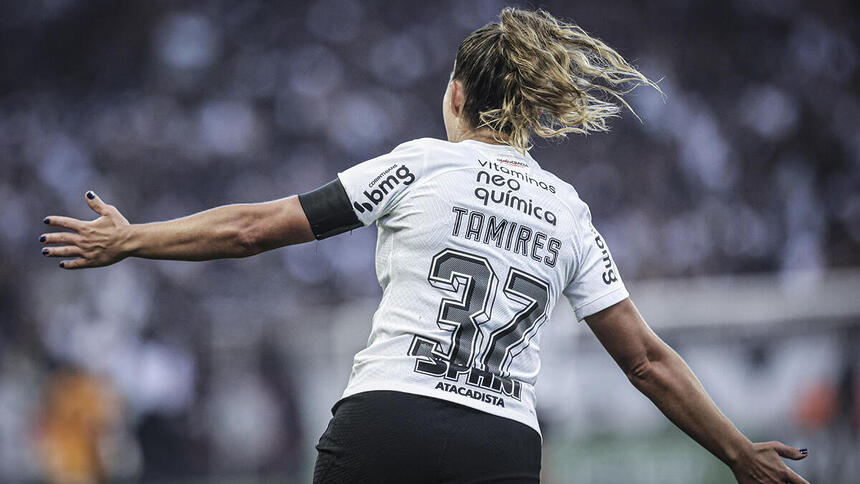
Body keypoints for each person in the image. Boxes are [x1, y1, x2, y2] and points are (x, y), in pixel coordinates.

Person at [40, 8, 809, 484]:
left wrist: (133, 238)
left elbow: (251, 230)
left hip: (388, 421)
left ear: (456, 97)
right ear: (534, 116)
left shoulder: (417, 163)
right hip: (499, 446)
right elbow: (646, 358)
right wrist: (737, 451)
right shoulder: (570, 212)